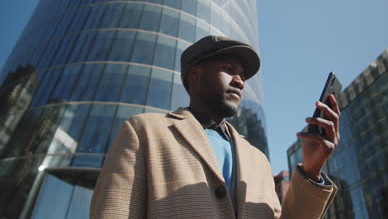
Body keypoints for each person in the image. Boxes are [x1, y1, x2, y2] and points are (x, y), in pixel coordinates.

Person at [90, 35, 340, 219]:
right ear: (196, 75)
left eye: (242, 75)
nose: (240, 82)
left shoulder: (258, 160)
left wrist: (311, 170)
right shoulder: (145, 131)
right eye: (229, 70)